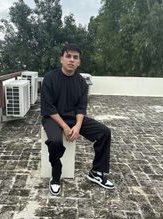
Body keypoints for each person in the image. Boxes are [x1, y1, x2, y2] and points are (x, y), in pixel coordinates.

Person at [41, 43, 114, 195]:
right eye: (68, 56)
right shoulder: (50, 78)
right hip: (53, 118)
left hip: (74, 118)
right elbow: (48, 107)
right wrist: (66, 127)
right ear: (61, 59)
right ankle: (55, 175)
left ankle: (96, 173)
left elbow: (81, 108)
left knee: (104, 132)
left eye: (75, 57)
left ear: (79, 62)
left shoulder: (81, 82)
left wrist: (78, 125)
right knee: (54, 142)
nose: (71, 60)